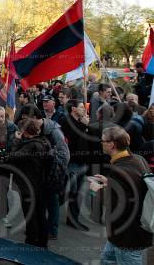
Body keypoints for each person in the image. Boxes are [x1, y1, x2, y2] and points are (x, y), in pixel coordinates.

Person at [89, 126, 153, 264]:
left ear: (111, 144)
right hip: (125, 233)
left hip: (128, 235)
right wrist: (110, 183)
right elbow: (135, 186)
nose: (101, 143)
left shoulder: (118, 170)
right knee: (106, 260)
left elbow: (116, 204)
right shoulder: (138, 159)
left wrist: (96, 190)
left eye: (103, 141)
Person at [16, 104, 70, 240]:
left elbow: (64, 156)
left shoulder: (54, 131)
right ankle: (38, 229)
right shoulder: (35, 130)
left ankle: (52, 230)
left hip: (51, 176)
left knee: (52, 202)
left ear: (34, 118)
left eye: (26, 120)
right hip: (38, 177)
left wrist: (52, 171)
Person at [9, 118, 51, 248]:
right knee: (41, 214)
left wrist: (16, 140)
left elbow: (13, 157)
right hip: (41, 185)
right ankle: (42, 242)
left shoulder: (31, 145)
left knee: (30, 216)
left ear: (25, 131)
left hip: (29, 186)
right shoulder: (44, 141)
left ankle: (31, 242)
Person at [59, 99, 92, 231]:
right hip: (72, 163)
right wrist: (84, 126)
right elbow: (72, 138)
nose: (84, 109)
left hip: (82, 162)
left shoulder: (81, 122)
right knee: (66, 192)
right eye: (81, 107)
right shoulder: (66, 121)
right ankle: (47, 207)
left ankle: (73, 219)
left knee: (78, 193)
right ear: (73, 109)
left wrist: (87, 126)